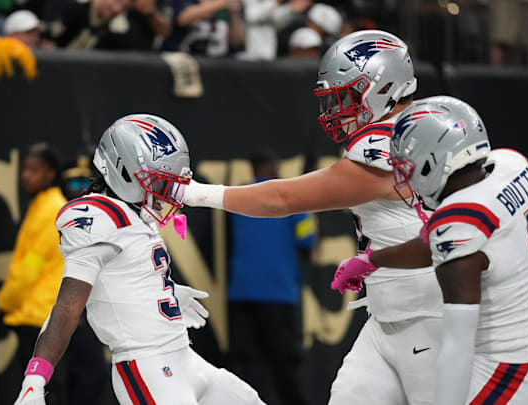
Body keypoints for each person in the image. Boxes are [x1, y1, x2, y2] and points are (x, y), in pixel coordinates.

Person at [183, 30, 445, 405]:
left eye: (346, 96)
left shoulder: (385, 144)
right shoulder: (424, 123)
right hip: (393, 313)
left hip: (428, 314)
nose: (336, 109)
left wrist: (192, 192)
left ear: (384, 86)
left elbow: (281, 199)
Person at [332, 97, 528, 404]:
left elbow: (458, 347)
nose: (403, 178)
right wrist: (373, 260)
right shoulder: (510, 164)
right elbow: (440, 244)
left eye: (407, 166)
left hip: (514, 372)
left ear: (433, 161)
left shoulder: (459, 222)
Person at [13, 115, 265, 405]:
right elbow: (67, 307)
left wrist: (159, 293)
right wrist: (35, 377)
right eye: (159, 182)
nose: (168, 193)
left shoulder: (137, 213)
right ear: (123, 171)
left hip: (184, 357)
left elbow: (127, 273)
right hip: (147, 367)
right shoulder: (97, 217)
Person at [228, 149, 316, 405]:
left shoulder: (237, 199)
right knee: (283, 365)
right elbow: (308, 238)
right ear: (273, 168)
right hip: (277, 292)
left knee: (246, 363)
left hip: (241, 291)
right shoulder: (288, 198)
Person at [0, 143, 68, 405]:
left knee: (40, 393)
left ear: (50, 174)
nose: (26, 175)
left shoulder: (50, 209)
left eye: (34, 170)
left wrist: (3, 304)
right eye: (24, 169)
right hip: (40, 317)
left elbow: (29, 268)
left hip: (40, 320)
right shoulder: (44, 205)